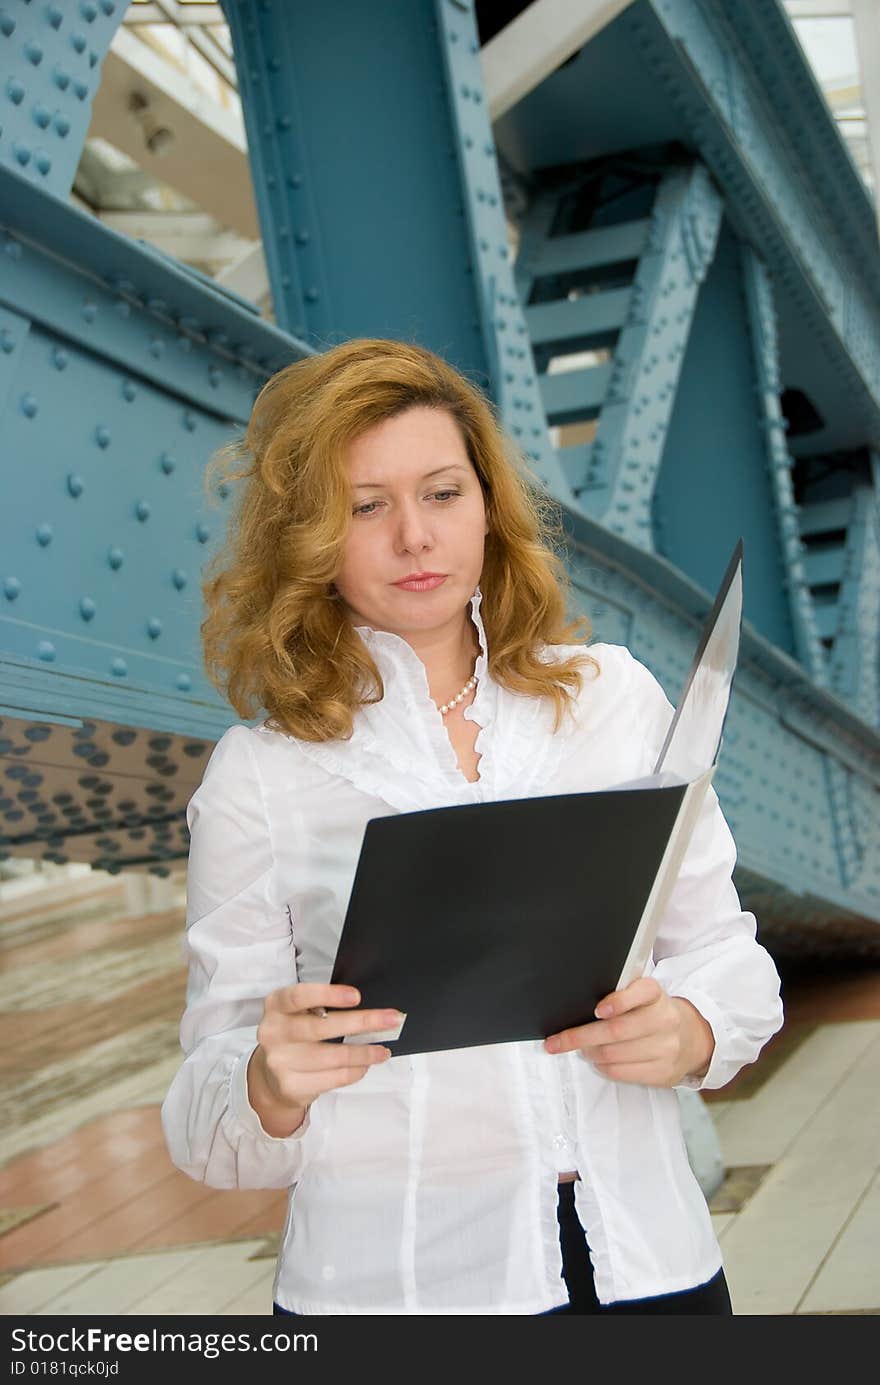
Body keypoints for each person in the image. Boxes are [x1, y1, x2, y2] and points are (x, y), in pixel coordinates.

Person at [160, 337, 783, 1316]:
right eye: (367, 506)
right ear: (308, 535)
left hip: (653, 1262)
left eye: (442, 492)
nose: (415, 537)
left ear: (488, 505)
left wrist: (693, 1025)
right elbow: (202, 1116)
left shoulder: (612, 697)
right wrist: (264, 1079)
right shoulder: (262, 775)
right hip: (396, 1291)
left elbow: (725, 950)